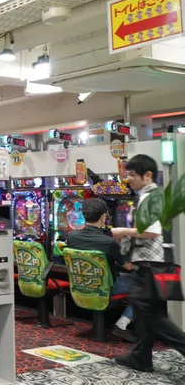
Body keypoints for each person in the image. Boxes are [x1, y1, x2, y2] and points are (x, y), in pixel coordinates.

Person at [111, 154, 185, 371]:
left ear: (148, 175)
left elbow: (151, 232)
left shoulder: (148, 197)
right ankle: (141, 357)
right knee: (146, 311)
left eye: (132, 175)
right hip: (155, 262)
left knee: (148, 311)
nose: (128, 180)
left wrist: (122, 231)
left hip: (151, 263)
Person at [66, 198, 136, 342]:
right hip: (106, 287)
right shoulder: (108, 242)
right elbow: (128, 266)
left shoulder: (71, 237)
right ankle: (122, 324)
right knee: (145, 285)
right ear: (103, 216)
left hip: (81, 284)